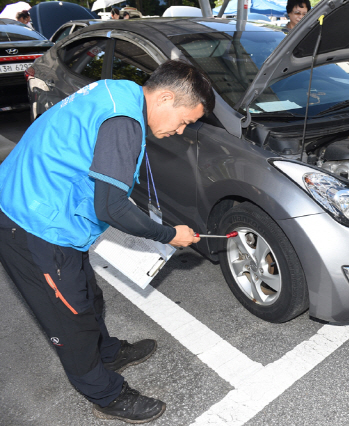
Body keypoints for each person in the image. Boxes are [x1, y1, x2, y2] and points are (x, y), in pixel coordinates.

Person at [0, 60, 215, 423]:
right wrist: (169, 235)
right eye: (184, 121)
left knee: (87, 294)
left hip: (51, 208)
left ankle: (108, 351)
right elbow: (110, 205)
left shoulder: (120, 93)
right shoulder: (124, 123)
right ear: (164, 97)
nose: (180, 131)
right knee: (70, 317)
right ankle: (105, 393)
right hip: (32, 223)